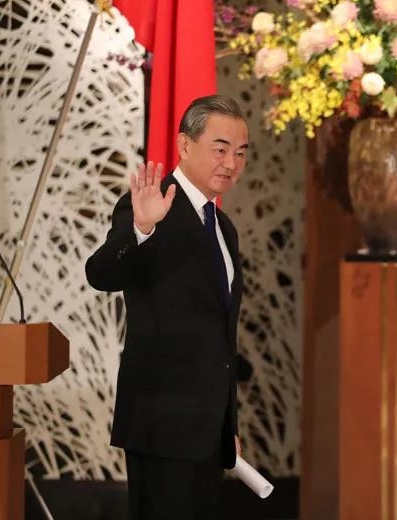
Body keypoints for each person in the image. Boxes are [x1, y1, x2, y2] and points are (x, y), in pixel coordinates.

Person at [86, 95, 250, 519]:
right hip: (161, 425)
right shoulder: (149, 206)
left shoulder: (224, 228)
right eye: (220, 149)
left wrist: (226, 425)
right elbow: (100, 274)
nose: (230, 163)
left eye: (240, 153)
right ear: (184, 145)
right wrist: (141, 229)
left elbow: (220, 338)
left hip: (207, 433)